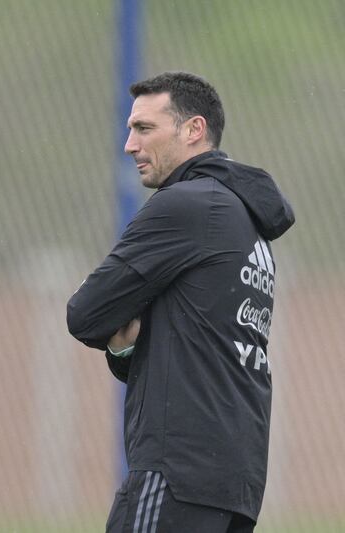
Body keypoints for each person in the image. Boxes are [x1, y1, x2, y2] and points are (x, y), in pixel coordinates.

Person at [66, 72, 295, 532]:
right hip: (234, 483)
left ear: (193, 130)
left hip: (175, 475)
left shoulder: (188, 205)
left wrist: (122, 341)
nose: (130, 144)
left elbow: (85, 313)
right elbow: (192, 346)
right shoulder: (246, 220)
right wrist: (127, 350)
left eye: (145, 129)